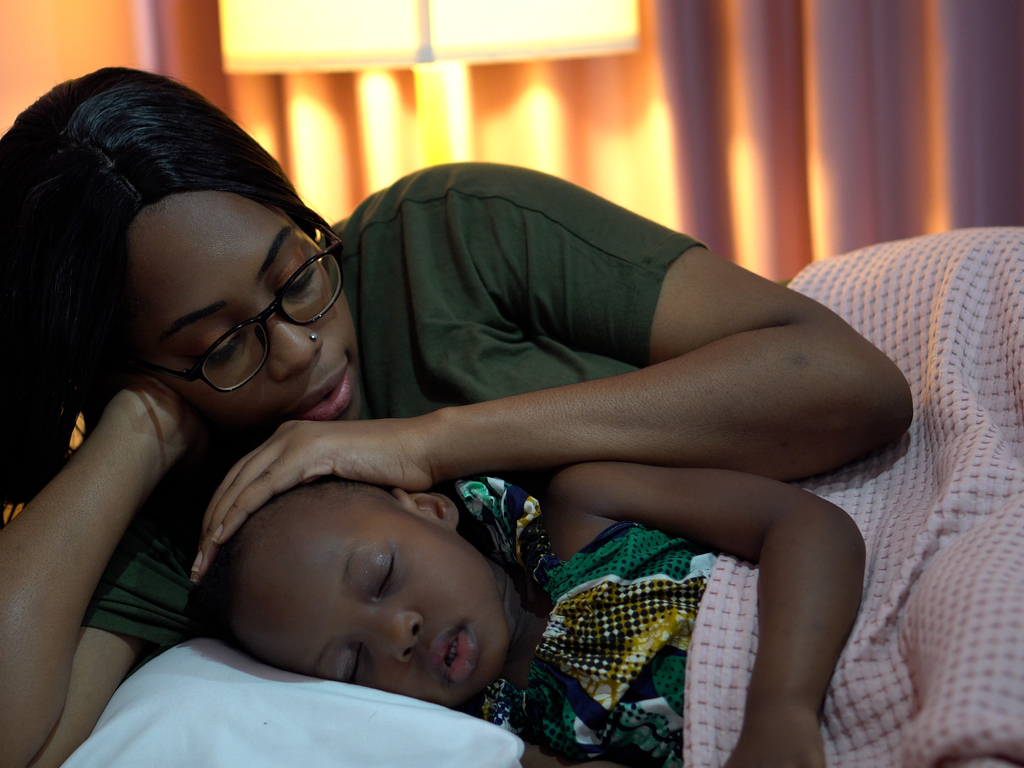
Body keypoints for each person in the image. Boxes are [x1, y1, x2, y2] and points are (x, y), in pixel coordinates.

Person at [0, 67, 911, 768]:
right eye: (219, 345)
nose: (297, 350)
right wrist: (137, 431)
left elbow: (847, 384)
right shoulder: (203, 528)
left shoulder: (445, 238)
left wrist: (428, 440)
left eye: (297, 277)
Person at [193, 462, 866, 768]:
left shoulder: (590, 508)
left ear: (428, 509)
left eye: (382, 577)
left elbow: (807, 527)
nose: (397, 633)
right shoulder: (513, 745)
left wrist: (782, 709)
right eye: (352, 663)